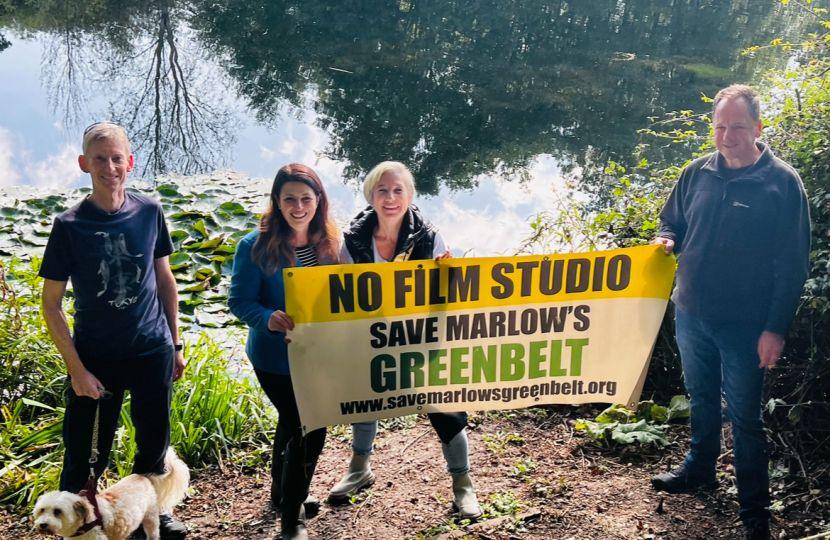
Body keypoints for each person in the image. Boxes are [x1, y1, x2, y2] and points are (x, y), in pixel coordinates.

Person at [651, 85, 811, 540]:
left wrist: (774, 329)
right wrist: (666, 241)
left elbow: (793, 264)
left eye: (737, 127)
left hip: (746, 325)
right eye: (720, 127)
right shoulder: (695, 172)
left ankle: (754, 514)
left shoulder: (782, 182)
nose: (727, 136)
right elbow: (672, 222)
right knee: (700, 399)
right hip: (691, 313)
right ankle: (699, 470)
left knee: (745, 418)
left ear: (758, 128)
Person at [39, 122, 188, 539]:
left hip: (150, 350)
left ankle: (149, 514)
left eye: (117, 158)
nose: (110, 167)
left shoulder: (149, 211)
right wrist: (76, 369)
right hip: (96, 358)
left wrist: (174, 344)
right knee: (86, 450)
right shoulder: (69, 225)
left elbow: (165, 280)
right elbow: (50, 305)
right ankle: (75, 522)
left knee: (153, 441)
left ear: (130, 161)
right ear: (84, 163)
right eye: (100, 159)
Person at [327, 160, 483, 519]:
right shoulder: (352, 239)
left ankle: (463, 486)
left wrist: (450, 275)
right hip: (372, 336)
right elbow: (343, 295)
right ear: (371, 195)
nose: (390, 197)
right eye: (382, 190)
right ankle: (359, 469)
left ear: (410, 196)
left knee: (445, 406)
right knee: (366, 400)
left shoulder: (429, 237)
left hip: (420, 337)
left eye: (398, 190)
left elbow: (446, 297)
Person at [228, 163, 339, 540]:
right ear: (276, 201)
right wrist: (266, 317)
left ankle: (282, 492)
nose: (298, 206)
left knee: (293, 424)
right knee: (309, 426)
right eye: (289, 198)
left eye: (306, 198)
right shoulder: (254, 246)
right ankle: (292, 516)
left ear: (318, 201)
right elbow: (239, 301)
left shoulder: (331, 243)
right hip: (274, 360)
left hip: (317, 356)